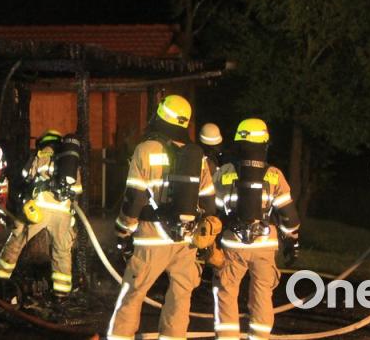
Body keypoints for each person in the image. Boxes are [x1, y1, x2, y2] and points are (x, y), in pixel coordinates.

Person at [107, 95, 217, 340]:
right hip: (185, 241)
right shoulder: (198, 157)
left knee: (132, 295)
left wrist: (123, 231)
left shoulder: (145, 150)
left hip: (151, 241)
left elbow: (133, 199)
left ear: (160, 116)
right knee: (179, 300)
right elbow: (209, 203)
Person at [212, 118, 300, 340]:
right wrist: (292, 241)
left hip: (233, 244)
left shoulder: (225, 172)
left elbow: (210, 208)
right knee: (262, 295)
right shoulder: (275, 175)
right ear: (265, 143)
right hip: (264, 245)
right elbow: (290, 217)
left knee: (226, 292)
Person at [0, 130, 83, 299]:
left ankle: (0, 279)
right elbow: (77, 189)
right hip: (63, 213)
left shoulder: (43, 153)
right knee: (62, 252)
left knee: (17, 240)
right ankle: (61, 294)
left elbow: (26, 175)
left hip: (40, 208)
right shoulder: (71, 162)